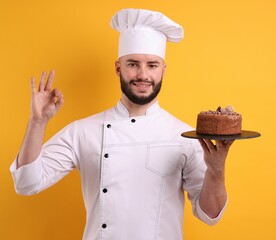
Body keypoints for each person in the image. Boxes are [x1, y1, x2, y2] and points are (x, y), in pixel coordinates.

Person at [10, 8, 234, 240]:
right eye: (133, 64)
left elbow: (210, 214)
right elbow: (26, 183)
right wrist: (37, 122)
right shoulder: (84, 131)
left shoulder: (183, 136)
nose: (143, 75)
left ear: (163, 71)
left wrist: (217, 169)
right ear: (118, 67)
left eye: (152, 65)